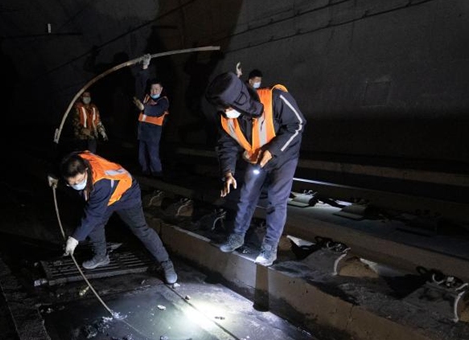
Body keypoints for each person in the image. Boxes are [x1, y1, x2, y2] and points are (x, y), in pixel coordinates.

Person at [204, 72, 306, 266]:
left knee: (277, 200)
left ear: (240, 101)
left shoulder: (275, 98)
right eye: (222, 109)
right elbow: (227, 144)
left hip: (284, 158)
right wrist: (228, 172)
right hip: (256, 159)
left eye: (227, 108)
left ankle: (269, 248)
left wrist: (273, 150)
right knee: (246, 196)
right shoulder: (226, 117)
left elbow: (297, 125)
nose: (226, 113)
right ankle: (237, 236)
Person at [50, 151, 178, 284]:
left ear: (86, 170)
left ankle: (166, 265)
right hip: (107, 195)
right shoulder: (72, 160)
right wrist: (53, 175)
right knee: (94, 226)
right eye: (72, 183)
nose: (77, 185)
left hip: (126, 193)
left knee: (141, 230)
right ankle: (101, 257)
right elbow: (58, 164)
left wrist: (75, 238)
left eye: (80, 180)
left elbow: (93, 215)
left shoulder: (101, 182)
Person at [132, 54, 168, 178]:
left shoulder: (163, 100)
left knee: (153, 154)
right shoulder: (146, 97)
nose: (154, 91)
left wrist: (144, 108)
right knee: (141, 154)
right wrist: (145, 66)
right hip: (142, 129)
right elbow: (143, 82)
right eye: (152, 89)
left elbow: (158, 110)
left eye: (157, 89)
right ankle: (145, 172)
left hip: (154, 131)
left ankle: (157, 174)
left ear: (161, 89)